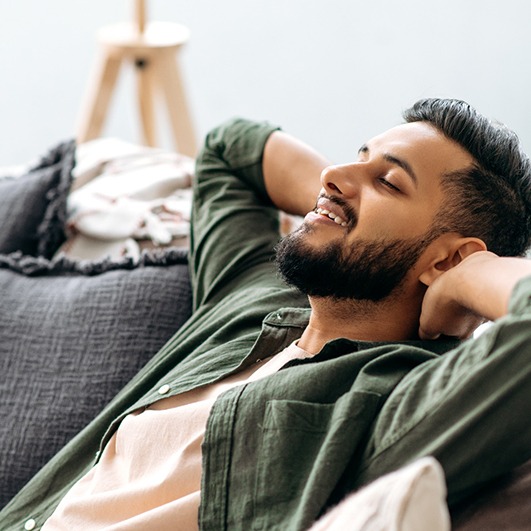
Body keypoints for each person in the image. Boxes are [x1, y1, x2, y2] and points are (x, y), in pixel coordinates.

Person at [2, 98, 531, 530]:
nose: (334, 172)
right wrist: (336, 208)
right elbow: (230, 151)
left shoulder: (392, 398)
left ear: (449, 255)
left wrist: (469, 274)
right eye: (358, 156)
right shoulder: (252, 297)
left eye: (389, 182)